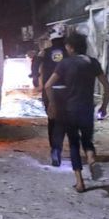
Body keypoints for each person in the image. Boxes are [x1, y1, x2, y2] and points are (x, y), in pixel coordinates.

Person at [44, 33, 109, 193]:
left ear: (71, 47)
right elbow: (107, 87)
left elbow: (47, 85)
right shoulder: (92, 62)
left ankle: (80, 183)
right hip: (87, 108)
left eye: (67, 46)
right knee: (87, 141)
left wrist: (52, 104)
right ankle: (91, 158)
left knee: (74, 144)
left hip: (69, 110)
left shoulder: (65, 64)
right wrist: (104, 106)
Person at [34, 31, 67, 166]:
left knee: (52, 120)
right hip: (66, 91)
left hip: (49, 90)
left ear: (52, 40)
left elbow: (35, 64)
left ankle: (54, 150)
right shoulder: (69, 51)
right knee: (62, 121)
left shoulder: (45, 52)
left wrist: (35, 78)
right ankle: (57, 148)